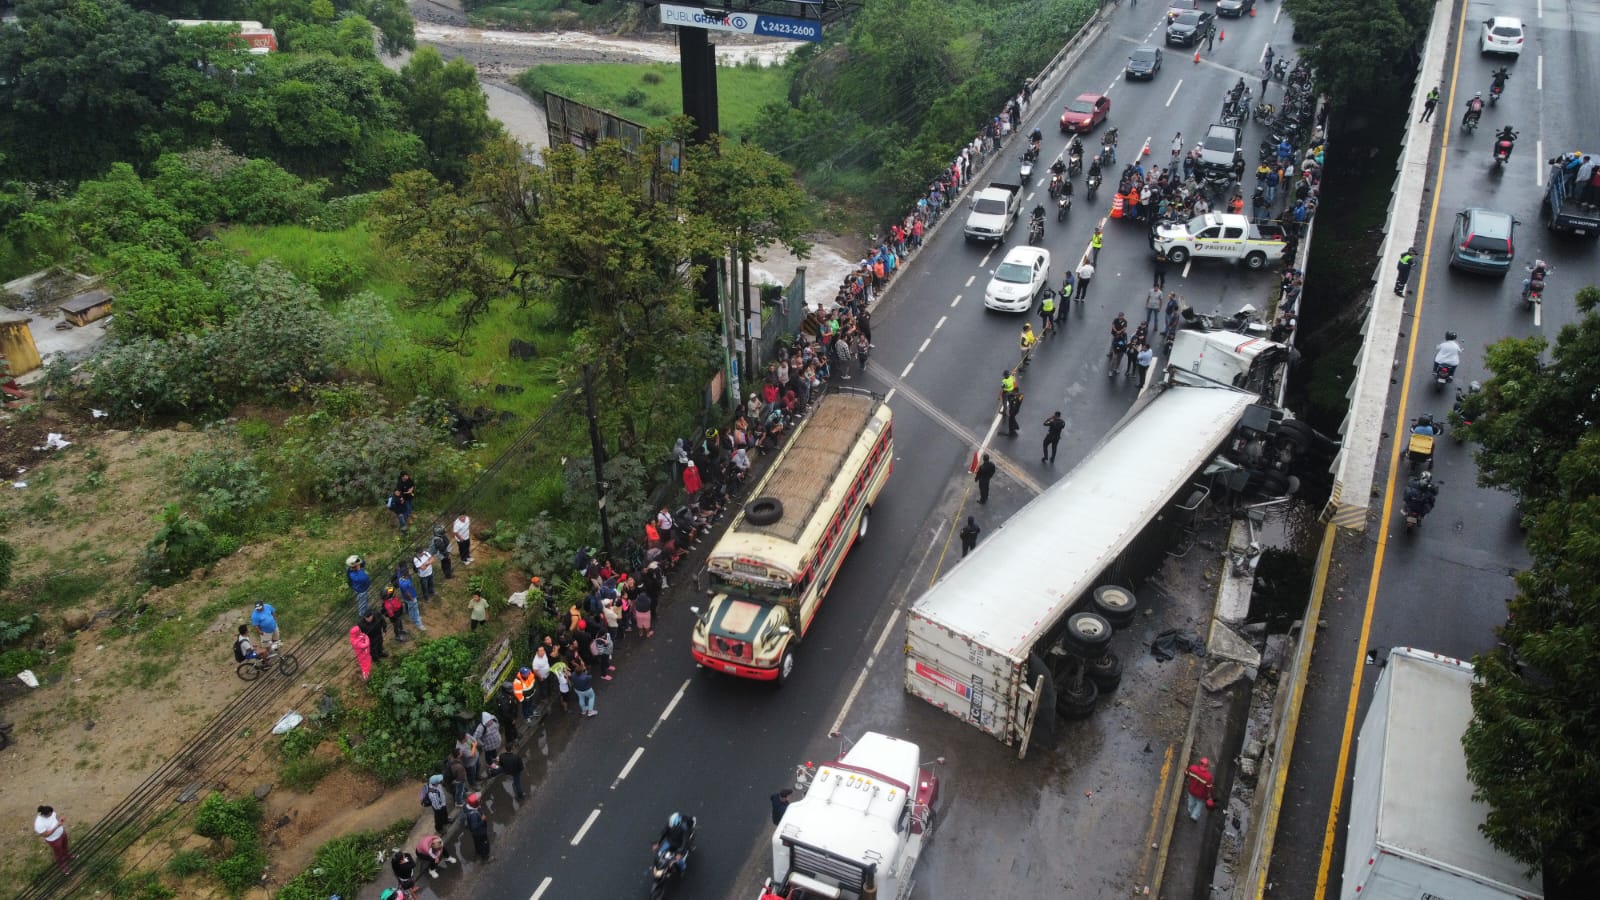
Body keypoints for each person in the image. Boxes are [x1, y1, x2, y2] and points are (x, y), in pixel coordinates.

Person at [34, 805, 71, 874]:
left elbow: (56, 817)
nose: (52, 814)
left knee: (65, 846)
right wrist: (56, 826)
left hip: (62, 833)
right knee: (58, 853)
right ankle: (63, 865)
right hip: (54, 840)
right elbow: (46, 834)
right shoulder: (39, 824)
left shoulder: (51, 812)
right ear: (45, 815)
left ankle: (67, 855)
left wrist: (60, 819)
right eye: (50, 814)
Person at [464, 793, 490, 859]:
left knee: (477, 843)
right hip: (480, 833)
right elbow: (474, 826)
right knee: (484, 844)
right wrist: (482, 820)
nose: (480, 800)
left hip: (474, 833)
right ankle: (485, 857)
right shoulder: (474, 815)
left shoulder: (468, 807)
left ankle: (478, 852)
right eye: (479, 800)